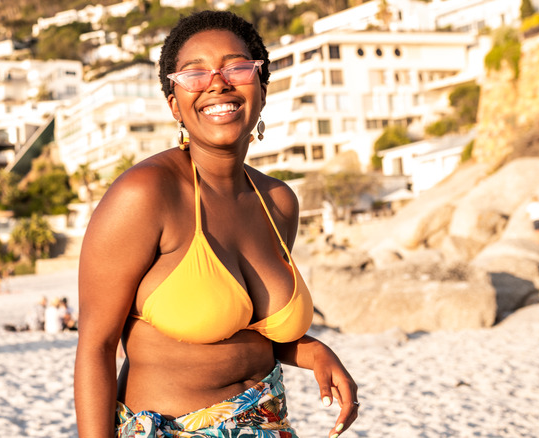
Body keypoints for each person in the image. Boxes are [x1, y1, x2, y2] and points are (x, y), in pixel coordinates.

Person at [74, 10, 358, 438]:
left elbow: (251, 332)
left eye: (237, 68)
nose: (217, 83)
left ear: (262, 89)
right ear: (174, 104)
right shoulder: (145, 194)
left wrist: (312, 351)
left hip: (271, 424)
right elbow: (96, 347)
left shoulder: (278, 202)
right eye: (194, 73)